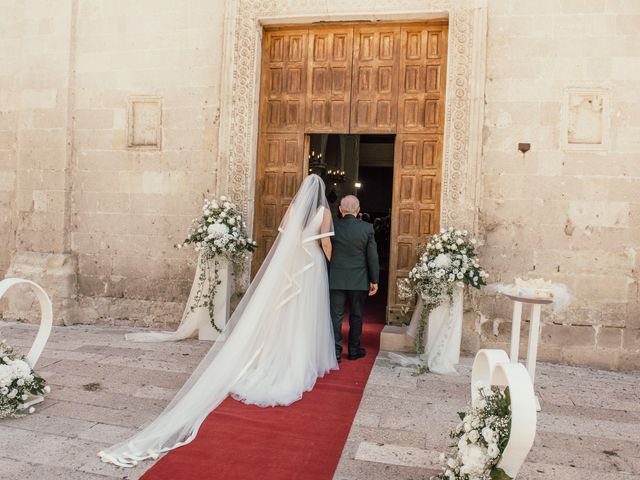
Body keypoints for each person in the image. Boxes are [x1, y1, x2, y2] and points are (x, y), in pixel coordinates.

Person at [98, 174, 337, 467]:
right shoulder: (323, 212)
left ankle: (278, 353)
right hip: (310, 267)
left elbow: (284, 236)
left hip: (291, 267)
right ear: (322, 193)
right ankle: (299, 358)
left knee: (285, 313)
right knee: (305, 314)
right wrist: (331, 263)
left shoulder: (293, 209)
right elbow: (325, 242)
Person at [329, 195, 379, 362]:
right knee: (356, 315)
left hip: (336, 278)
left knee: (335, 316)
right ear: (358, 211)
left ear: (340, 210)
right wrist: (374, 280)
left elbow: (325, 251)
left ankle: (335, 352)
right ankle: (353, 350)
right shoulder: (367, 228)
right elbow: (372, 256)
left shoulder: (332, 226)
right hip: (359, 279)